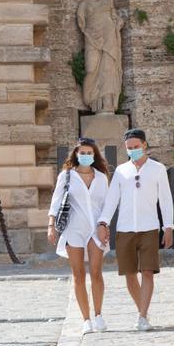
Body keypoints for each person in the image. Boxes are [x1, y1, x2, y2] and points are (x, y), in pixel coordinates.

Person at [97, 129, 174, 332]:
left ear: (144, 145)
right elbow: (112, 199)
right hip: (125, 229)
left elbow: (166, 199)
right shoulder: (121, 171)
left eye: (136, 147)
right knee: (130, 274)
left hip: (149, 227)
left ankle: (141, 316)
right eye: (129, 148)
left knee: (147, 272)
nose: (133, 151)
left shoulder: (158, 169)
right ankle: (143, 310)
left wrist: (169, 226)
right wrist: (103, 223)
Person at [49, 138, 111, 335]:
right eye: (81, 152)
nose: (85, 156)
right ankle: (86, 319)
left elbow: (107, 205)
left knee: (96, 272)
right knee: (78, 274)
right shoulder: (66, 176)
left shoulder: (101, 177)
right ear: (76, 154)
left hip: (95, 228)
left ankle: (99, 315)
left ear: (94, 155)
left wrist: (104, 224)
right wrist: (51, 225)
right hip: (73, 229)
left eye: (89, 153)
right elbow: (56, 201)